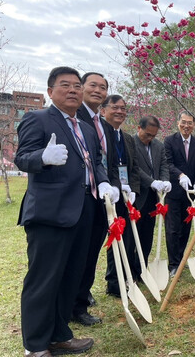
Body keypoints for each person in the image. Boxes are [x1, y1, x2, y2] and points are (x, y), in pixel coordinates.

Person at [15, 66, 119, 357]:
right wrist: (42, 157)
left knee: (70, 276)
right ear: (50, 91)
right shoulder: (36, 119)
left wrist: (104, 182)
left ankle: (60, 335)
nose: (73, 90)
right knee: (44, 279)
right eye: (65, 85)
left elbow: (95, 162)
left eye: (76, 86)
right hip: (50, 212)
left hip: (84, 208)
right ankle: (35, 346)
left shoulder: (85, 128)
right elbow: (21, 157)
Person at [72, 72, 124, 326]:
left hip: (102, 199)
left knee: (92, 251)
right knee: (77, 253)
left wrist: (114, 186)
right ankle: (69, 303)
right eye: (93, 85)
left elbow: (110, 162)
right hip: (79, 198)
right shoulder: (73, 116)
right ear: (81, 87)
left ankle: (80, 301)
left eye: (103, 87)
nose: (98, 90)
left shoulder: (104, 125)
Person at [99, 94, 141, 296]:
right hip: (105, 194)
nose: (120, 111)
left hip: (125, 196)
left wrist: (132, 189)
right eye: (115, 107)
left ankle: (123, 278)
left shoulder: (127, 139)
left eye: (123, 108)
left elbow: (134, 168)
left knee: (125, 238)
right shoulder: (98, 133)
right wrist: (114, 185)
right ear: (103, 110)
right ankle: (113, 281)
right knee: (110, 238)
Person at [164, 111, 195, 278]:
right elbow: (168, 163)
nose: (186, 125)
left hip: (190, 194)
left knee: (185, 227)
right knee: (173, 229)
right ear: (178, 123)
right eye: (183, 122)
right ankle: (173, 264)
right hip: (174, 192)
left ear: (194, 125)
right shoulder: (169, 141)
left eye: (190, 123)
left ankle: (181, 259)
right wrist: (180, 175)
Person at [131, 115, 171, 278]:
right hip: (136, 196)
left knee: (147, 236)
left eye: (153, 135)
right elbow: (135, 168)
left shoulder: (158, 146)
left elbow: (163, 165)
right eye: (147, 134)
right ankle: (130, 273)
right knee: (132, 237)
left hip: (153, 199)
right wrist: (152, 182)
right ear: (139, 128)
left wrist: (165, 181)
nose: (150, 138)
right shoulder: (130, 143)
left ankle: (141, 269)